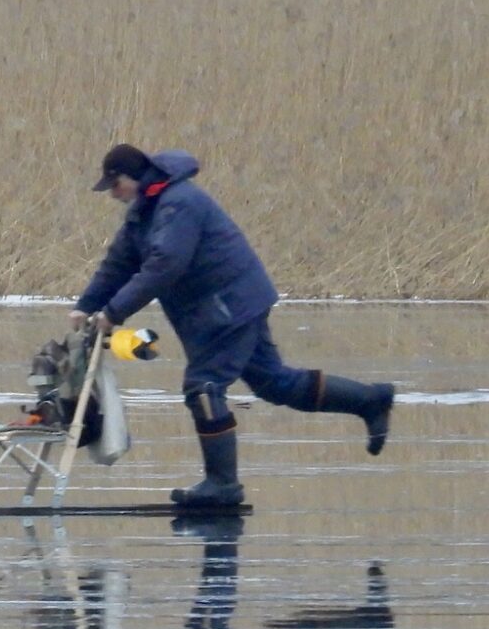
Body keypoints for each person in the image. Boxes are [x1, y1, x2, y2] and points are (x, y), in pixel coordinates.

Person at [72, 144, 395, 510]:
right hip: (224, 307)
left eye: (114, 187)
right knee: (275, 383)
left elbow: (165, 266)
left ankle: (222, 485)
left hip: (230, 305)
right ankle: (371, 400)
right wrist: (85, 306)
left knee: (203, 388)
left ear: (130, 178)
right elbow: (118, 264)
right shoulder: (145, 212)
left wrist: (114, 312)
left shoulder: (179, 204)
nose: (113, 196)